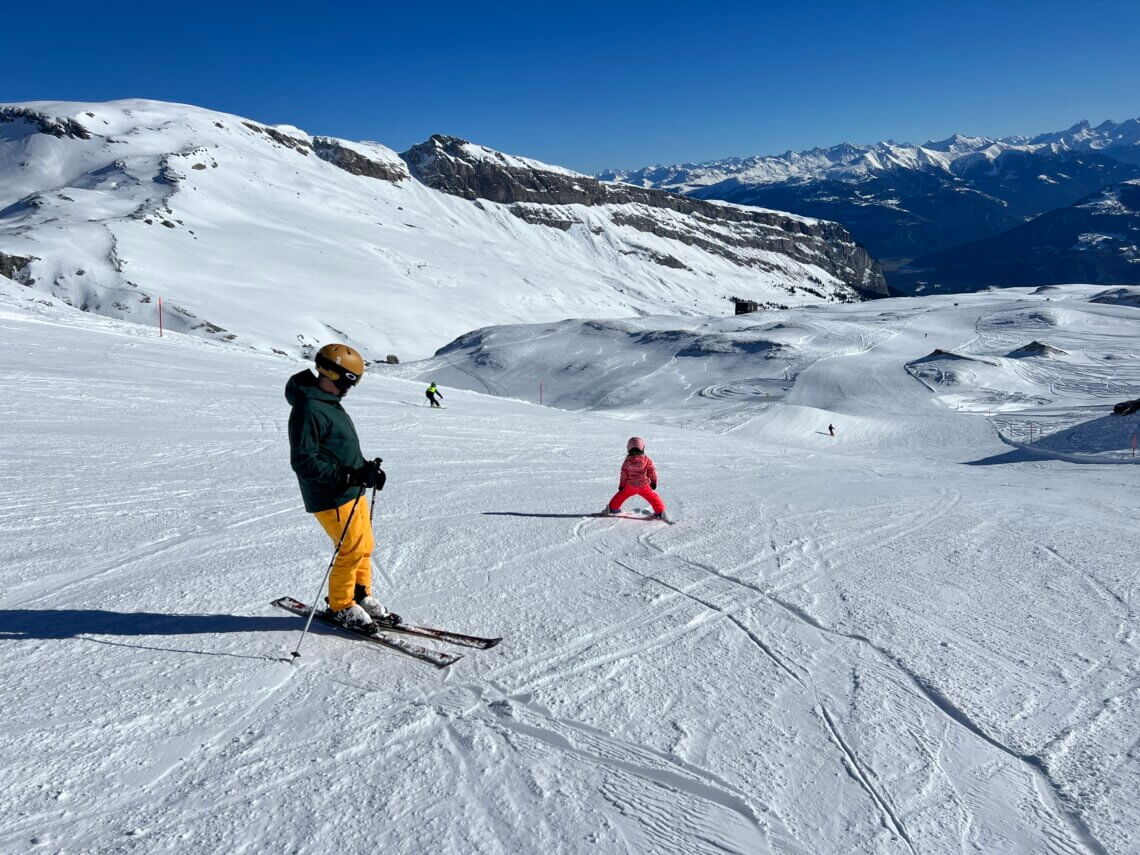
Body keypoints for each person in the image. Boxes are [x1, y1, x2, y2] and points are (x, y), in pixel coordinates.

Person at [285, 343, 399, 630]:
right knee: (350, 549)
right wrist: (347, 476)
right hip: (330, 495)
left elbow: (340, 448)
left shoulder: (330, 404)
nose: (348, 390)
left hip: (351, 490)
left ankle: (360, 595)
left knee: (365, 546)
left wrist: (365, 469)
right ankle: (341, 605)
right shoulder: (308, 408)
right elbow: (303, 461)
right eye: (346, 383)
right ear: (331, 375)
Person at [606, 437, 666, 519]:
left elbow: (624, 474)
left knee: (621, 495)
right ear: (643, 448)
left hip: (630, 486)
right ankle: (660, 512)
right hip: (644, 486)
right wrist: (653, 482)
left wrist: (622, 485)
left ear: (628, 448)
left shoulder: (627, 461)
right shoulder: (647, 460)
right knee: (652, 497)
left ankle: (613, 508)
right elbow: (652, 471)